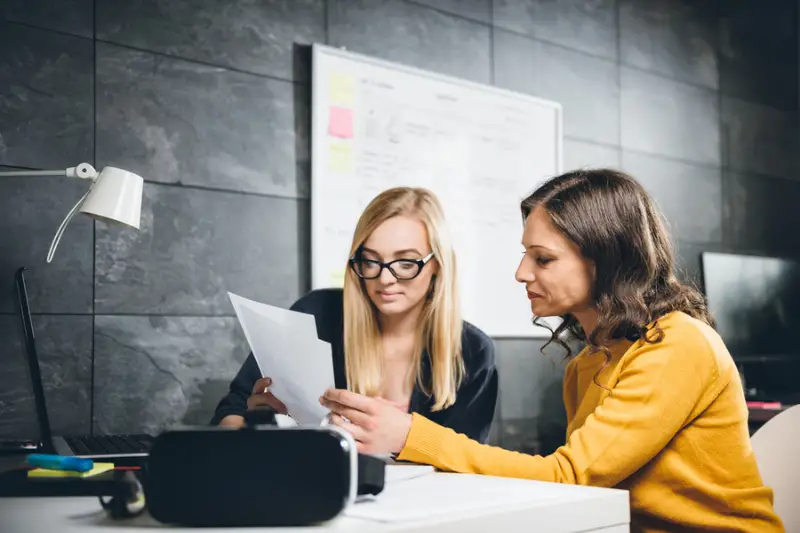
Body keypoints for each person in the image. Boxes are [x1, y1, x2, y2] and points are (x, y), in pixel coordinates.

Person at [320, 170, 784, 532]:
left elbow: (571, 478)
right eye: (525, 255)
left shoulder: (676, 344)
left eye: (542, 258)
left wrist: (408, 435)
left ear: (605, 260)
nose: (521, 273)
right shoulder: (587, 363)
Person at [212, 186, 498, 449]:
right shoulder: (318, 314)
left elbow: (465, 462)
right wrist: (255, 424)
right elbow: (231, 412)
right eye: (370, 261)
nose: (385, 278)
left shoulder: (471, 350)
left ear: (437, 264)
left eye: (406, 263)